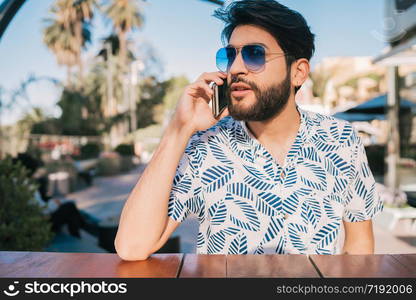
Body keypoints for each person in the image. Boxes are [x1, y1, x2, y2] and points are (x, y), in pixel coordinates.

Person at [115, 0, 383, 260]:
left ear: (298, 73)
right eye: (230, 55)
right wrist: (179, 128)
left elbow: (359, 244)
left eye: (255, 54)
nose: (236, 68)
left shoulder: (341, 140)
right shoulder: (206, 145)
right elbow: (131, 247)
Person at [13, 153, 86, 238]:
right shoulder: (26, 186)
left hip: (25, 222)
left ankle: (80, 227)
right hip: (37, 224)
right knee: (70, 207)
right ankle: (78, 234)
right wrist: (55, 204)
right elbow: (42, 210)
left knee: (68, 206)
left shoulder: (12, 181)